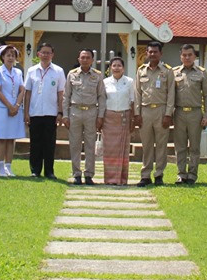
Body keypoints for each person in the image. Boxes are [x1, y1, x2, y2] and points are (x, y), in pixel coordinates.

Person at [134, 41, 175, 186]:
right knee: (147, 145)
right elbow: (137, 93)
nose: (152, 54)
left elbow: (171, 94)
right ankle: (145, 175)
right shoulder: (141, 71)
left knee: (161, 145)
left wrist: (168, 114)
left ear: (160, 54)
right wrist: (137, 114)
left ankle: (159, 175)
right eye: (150, 52)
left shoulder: (167, 71)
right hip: (145, 111)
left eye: (155, 52)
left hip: (161, 111)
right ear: (146, 53)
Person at [62, 48, 105, 184]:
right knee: (74, 144)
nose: (85, 59)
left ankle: (88, 174)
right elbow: (66, 96)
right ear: (78, 59)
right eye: (82, 57)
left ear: (92, 60)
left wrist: (100, 116)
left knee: (90, 145)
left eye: (87, 57)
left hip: (91, 112)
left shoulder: (97, 75)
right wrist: (65, 115)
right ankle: (76, 174)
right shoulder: (72, 74)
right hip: (74, 112)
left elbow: (102, 97)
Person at [24, 42, 65, 179]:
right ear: (38, 54)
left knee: (49, 144)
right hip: (34, 112)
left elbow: (61, 94)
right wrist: (26, 113)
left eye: (48, 52)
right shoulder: (31, 71)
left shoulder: (58, 71)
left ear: (52, 55)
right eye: (43, 52)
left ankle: (49, 171)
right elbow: (27, 93)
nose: (46, 55)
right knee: (35, 143)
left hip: (51, 113)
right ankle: (35, 170)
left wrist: (60, 112)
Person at [172, 44, 207, 184]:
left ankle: (192, 174)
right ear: (180, 56)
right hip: (179, 112)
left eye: (190, 55)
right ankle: (181, 174)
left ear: (194, 56)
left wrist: (206, 115)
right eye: (184, 55)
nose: (187, 57)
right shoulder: (174, 72)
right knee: (180, 146)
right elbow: (170, 95)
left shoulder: (201, 73)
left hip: (195, 113)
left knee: (194, 146)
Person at [0, 44, 25, 177]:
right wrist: (9, 106)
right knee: (2, 138)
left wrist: (16, 105)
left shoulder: (18, 72)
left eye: (13, 55)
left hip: (16, 109)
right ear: (2, 57)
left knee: (11, 138)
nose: (11, 58)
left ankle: (8, 166)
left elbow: (22, 90)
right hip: (2, 108)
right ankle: (0, 167)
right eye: (8, 55)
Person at [102, 56, 135, 185]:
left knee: (122, 149)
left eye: (119, 65)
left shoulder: (130, 82)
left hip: (124, 118)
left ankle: (121, 179)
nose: (116, 68)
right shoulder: (104, 82)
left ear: (123, 68)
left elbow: (132, 100)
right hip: (108, 118)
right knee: (109, 149)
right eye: (114, 65)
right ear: (110, 68)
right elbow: (101, 101)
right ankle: (109, 179)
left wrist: (132, 119)